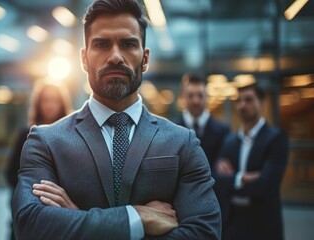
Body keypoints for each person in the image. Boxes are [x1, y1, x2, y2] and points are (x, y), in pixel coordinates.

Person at [12, 0, 221, 239]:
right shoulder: (46, 142)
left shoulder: (182, 143)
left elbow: (205, 233)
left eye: (128, 43)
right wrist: (136, 218)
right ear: (83, 59)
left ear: (144, 58)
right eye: (101, 44)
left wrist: (78, 218)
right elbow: (30, 226)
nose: (115, 56)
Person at [213, 85, 288, 240]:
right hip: (232, 224)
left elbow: (267, 184)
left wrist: (231, 180)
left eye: (248, 100)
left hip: (263, 224)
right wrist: (241, 178)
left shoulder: (275, 138)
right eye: (239, 100)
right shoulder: (229, 141)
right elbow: (217, 180)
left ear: (262, 102)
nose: (242, 105)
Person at [5, 82, 72, 240]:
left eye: (54, 100)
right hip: (30, 210)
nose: (50, 105)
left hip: (60, 215)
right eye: (45, 100)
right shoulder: (25, 134)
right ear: (38, 103)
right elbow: (10, 174)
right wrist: (35, 189)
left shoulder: (71, 136)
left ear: (62, 104)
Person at [177, 74, 230, 167]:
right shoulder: (173, 129)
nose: (195, 100)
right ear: (184, 97)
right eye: (191, 95)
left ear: (207, 97)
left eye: (200, 95)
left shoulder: (223, 131)